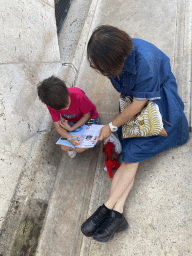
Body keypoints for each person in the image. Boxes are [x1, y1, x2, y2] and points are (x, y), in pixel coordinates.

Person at [81, 25, 189, 242]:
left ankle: (107, 207)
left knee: (132, 154)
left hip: (158, 98)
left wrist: (110, 126)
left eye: (106, 68)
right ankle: (116, 212)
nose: (103, 72)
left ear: (118, 58)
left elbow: (139, 104)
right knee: (131, 151)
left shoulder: (145, 62)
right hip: (137, 98)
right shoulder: (114, 59)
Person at [37, 76, 122, 159]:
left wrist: (72, 129)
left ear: (66, 90)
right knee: (64, 147)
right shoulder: (52, 105)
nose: (67, 107)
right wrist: (70, 138)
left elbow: (87, 115)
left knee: (79, 149)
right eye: (62, 108)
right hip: (72, 122)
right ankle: (75, 144)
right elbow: (58, 128)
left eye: (67, 102)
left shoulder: (78, 95)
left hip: (89, 119)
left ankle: (105, 135)